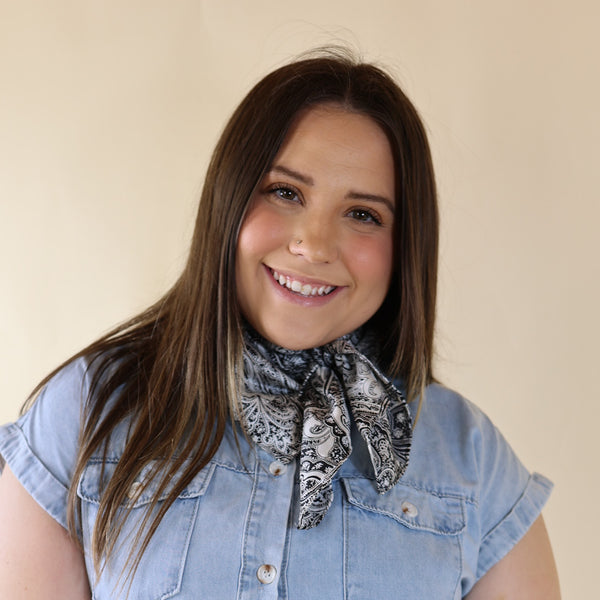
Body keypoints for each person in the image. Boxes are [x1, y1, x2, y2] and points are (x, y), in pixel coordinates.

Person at [0, 50, 560, 599]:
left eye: (363, 214)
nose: (313, 245)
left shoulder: (472, 465)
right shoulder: (86, 412)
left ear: (405, 248)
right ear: (229, 200)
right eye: (285, 192)